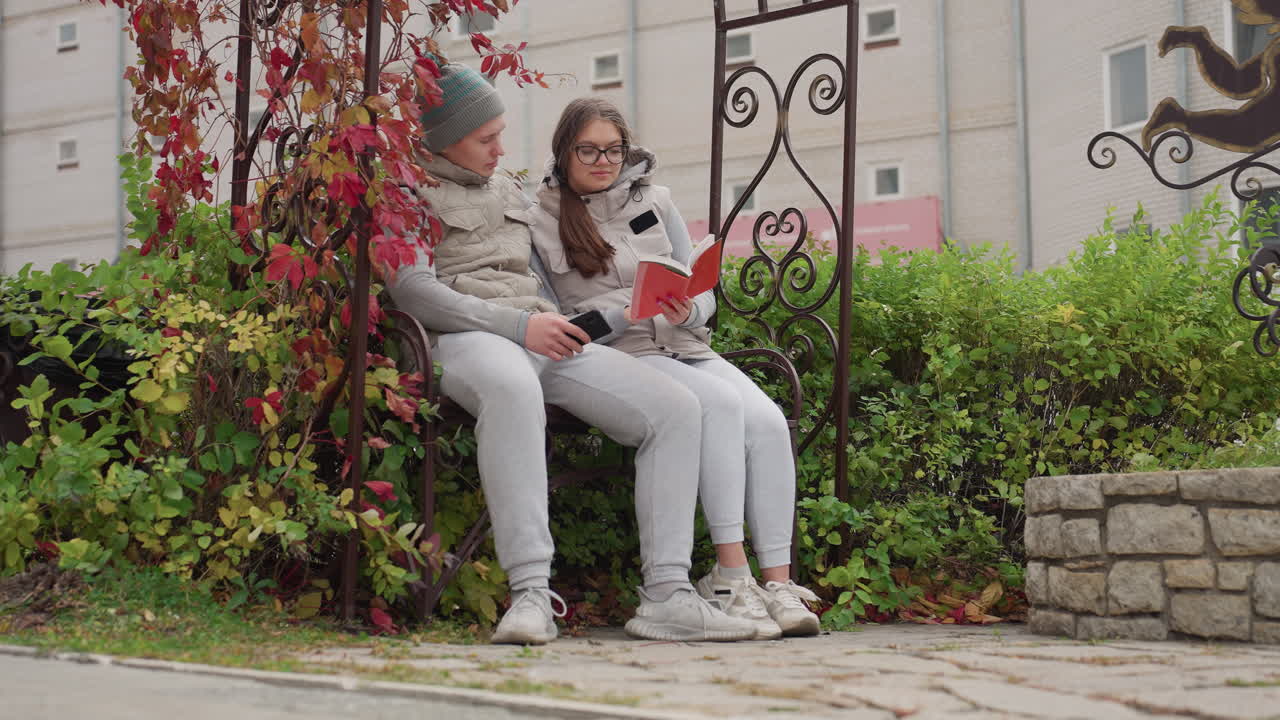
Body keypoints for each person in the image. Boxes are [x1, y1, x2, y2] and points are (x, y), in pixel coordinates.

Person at [389, 64, 756, 645]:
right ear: (443, 139)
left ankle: (667, 594)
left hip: (542, 331)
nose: (500, 149)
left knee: (676, 407)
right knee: (513, 388)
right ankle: (531, 594)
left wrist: (586, 319)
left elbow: (544, 282)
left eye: (500, 135)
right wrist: (518, 326)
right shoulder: (405, 194)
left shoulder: (507, 190)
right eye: (486, 139)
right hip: (466, 338)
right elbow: (412, 290)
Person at [528, 97, 822, 639]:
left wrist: (691, 308)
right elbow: (552, 319)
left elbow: (701, 286)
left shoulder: (656, 200)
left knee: (767, 422)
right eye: (588, 150)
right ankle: (732, 576)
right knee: (720, 405)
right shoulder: (539, 216)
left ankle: (777, 584)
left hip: (686, 345)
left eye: (614, 150)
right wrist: (623, 314)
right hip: (627, 355)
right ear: (564, 151)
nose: (603, 161)